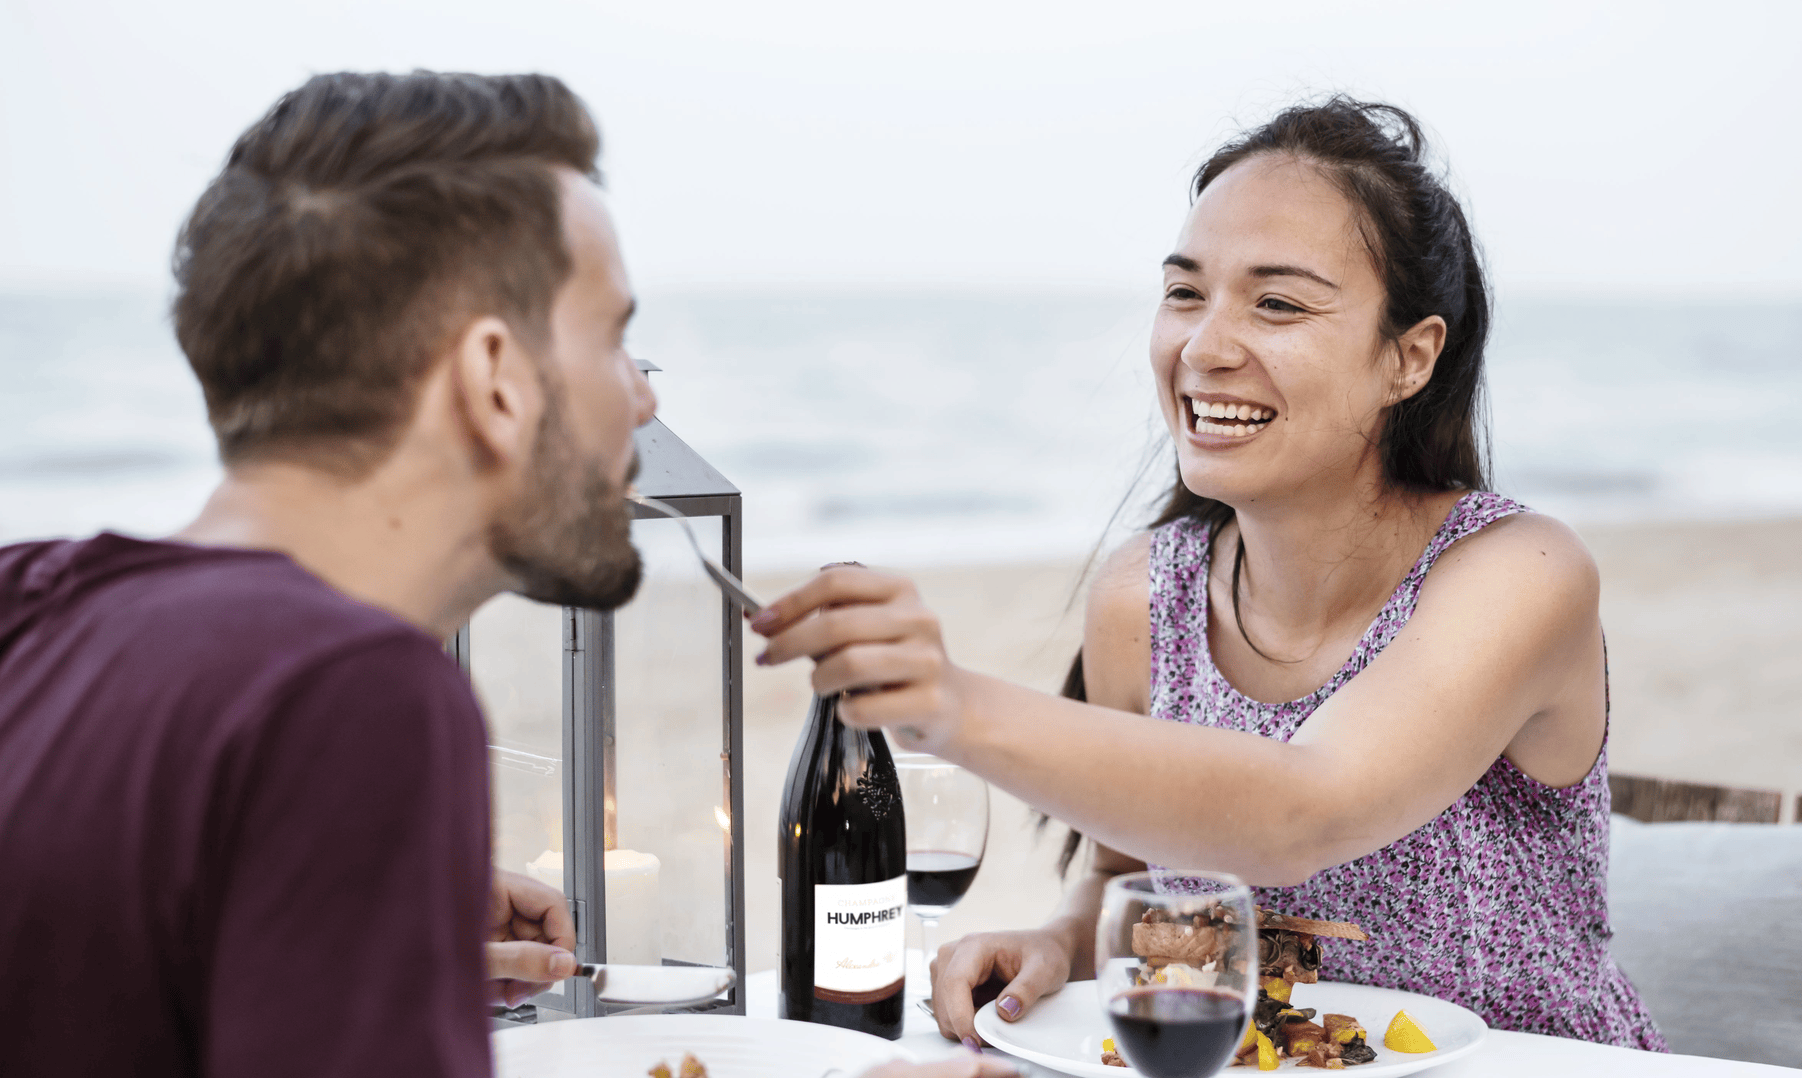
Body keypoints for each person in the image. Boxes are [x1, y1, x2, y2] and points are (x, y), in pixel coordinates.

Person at [0, 71, 1011, 1078]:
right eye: (615, 341)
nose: (643, 405)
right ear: (494, 378)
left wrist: (375, 938)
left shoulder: (29, 599)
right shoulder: (358, 698)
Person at [753, 98, 1667, 1052]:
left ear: (1410, 356)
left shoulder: (1520, 573)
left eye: (1277, 303)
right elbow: (1123, 875)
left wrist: (951, 706)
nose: (1204, 347)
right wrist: (1062, 940)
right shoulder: (1143, 598)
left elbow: (1304, 808)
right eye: (1186, 293)